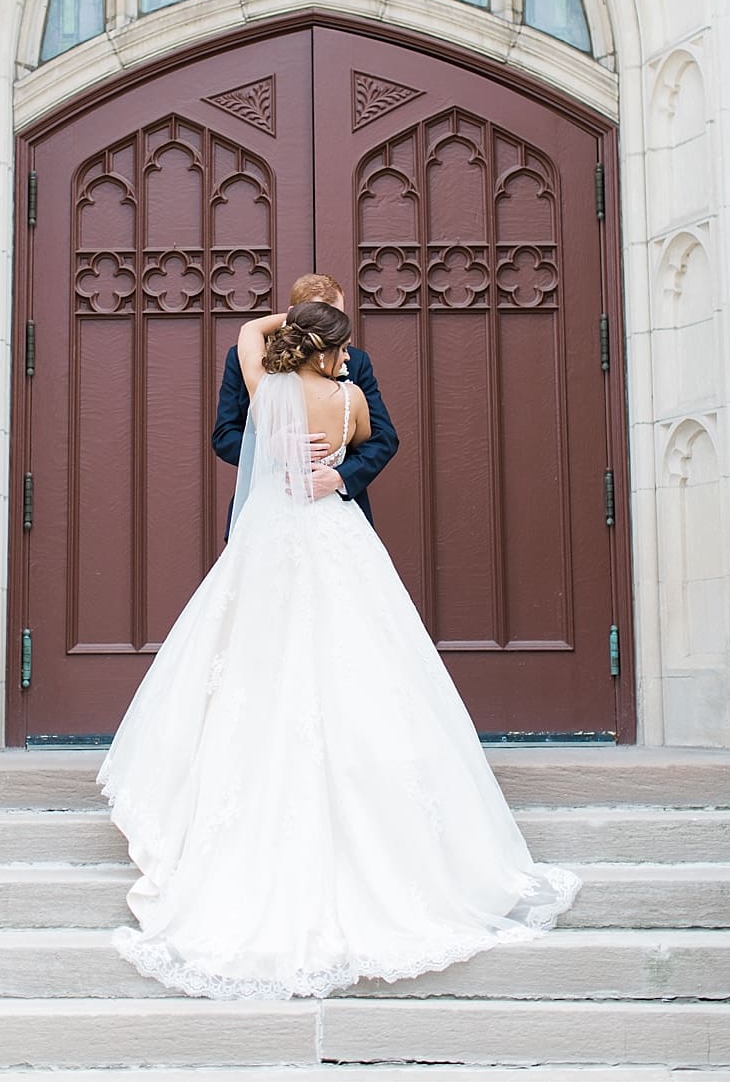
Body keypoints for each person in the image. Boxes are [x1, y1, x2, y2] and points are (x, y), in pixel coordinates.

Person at [99, 300, 580, 999]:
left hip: (271, 530)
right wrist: (334, 442)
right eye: (342, 345)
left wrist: (289, 321)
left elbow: (248, 337)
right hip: (332, 530)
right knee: (359, 653)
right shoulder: (349, 399)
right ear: (326, 348)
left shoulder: (268, 390)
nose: (350, 355)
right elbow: (367, 435)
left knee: (258, 654)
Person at [211, 273, 396, 536]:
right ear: (292, 315)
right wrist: (268, 446)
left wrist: (340, 477)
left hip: (336, 507)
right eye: (320, 315)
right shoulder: (249, 359)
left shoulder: (354, 361)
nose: (332, 324)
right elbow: (224, 436)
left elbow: (383, 438)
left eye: (337, 315)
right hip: (266, 508)